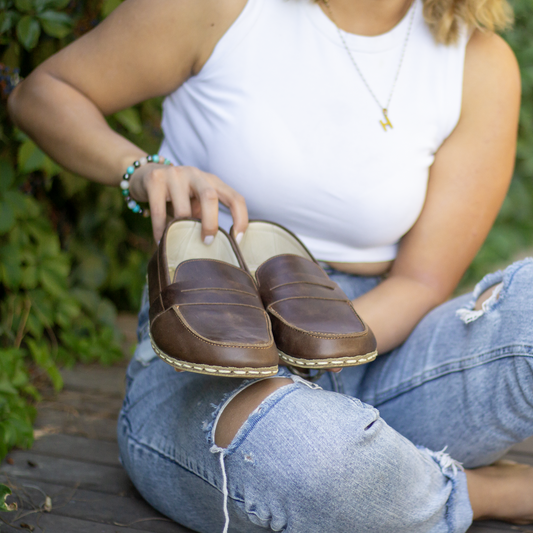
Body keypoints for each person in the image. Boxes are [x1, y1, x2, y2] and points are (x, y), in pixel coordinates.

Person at [7, 0, 533, 530]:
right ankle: (475, 492)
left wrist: (312, 351)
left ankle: (383, 471)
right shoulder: (219, 8)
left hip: (377, 345)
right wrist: (140, 170)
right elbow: (44, 93)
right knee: (302, 454)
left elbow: (421, 282)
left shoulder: (477, 60)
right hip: (213, 352)